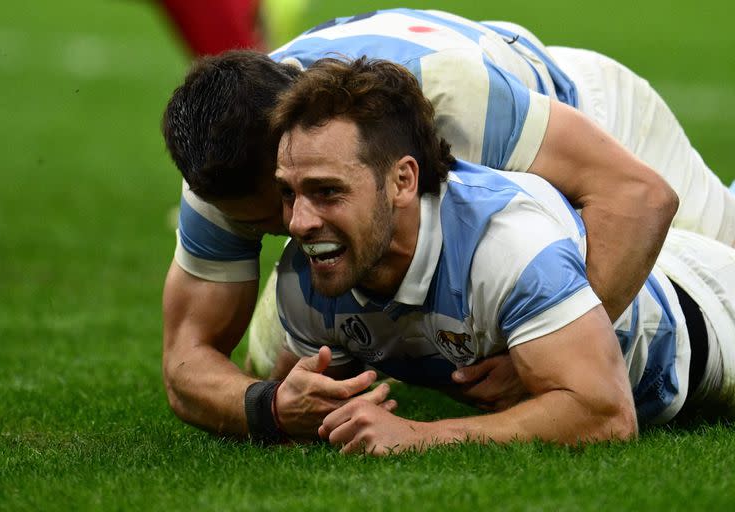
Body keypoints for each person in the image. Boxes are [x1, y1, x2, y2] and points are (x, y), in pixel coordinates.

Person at [159, 8, 732, 438]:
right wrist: (270, 405)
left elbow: (638, 195)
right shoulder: (218, 163)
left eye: (318, 192)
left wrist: (546, 349)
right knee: (272, 353)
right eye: (276, 215)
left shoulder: (447, 96)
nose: (299, 223)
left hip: (584, 115)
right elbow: (187, 358)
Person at [270, 57, 735, 454]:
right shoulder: (306, 274)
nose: (299, 222)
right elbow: (301, 405)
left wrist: (420, 435)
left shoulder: (503, 244)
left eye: (327, 192)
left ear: (402, 182)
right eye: (289, 193)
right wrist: (284, 406)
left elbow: (605, 415)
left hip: (706, 316)